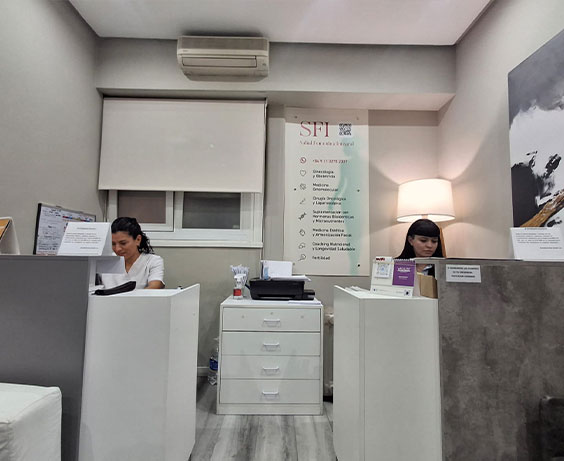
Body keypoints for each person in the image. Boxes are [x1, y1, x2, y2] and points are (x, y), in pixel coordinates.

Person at [100, 217, 165, 289]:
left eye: (123, 243)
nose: (117, 249)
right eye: (113, 244)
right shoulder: (105, 261)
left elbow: (155, 286)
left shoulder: (152, 261)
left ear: (138, 240)